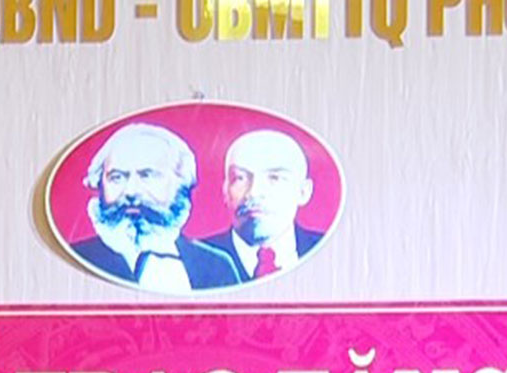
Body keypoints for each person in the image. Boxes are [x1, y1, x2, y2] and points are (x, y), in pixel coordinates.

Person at [64, 122, 244, 292]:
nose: (131, 191)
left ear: (180, 184)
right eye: (117, 177)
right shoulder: (75, 260)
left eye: (147, 176)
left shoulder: (215, 266)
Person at [195, 128, 323, 280]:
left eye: (274, 178)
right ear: (225, 190)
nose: (253, 192)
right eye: (240, 178)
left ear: (303, 192)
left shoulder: (328, 250)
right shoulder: (194, 261)